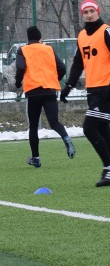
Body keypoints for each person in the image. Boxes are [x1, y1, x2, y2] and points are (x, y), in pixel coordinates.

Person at [60, 0, 110, 186]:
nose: (89, 14)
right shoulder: (82, 35)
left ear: (98, 11)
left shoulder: (107, 31)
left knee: (89, 128)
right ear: (82, 15)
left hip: (106, 89)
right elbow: (78, 63)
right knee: (103, 131)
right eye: (85, 12)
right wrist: (68, 86)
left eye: (92, 11)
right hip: (92, 90)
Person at [15, 26, 76, 168]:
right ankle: (66, 137)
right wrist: (54, 78)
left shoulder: (23, 50)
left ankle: (35, 158)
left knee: (34, 126)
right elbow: (62, 67)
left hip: (33, 91)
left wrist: (18, 82)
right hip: (50, 90)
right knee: (54, 122)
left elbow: (20, 67)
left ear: (28, 38)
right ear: (40, 37)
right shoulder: (48, 49)